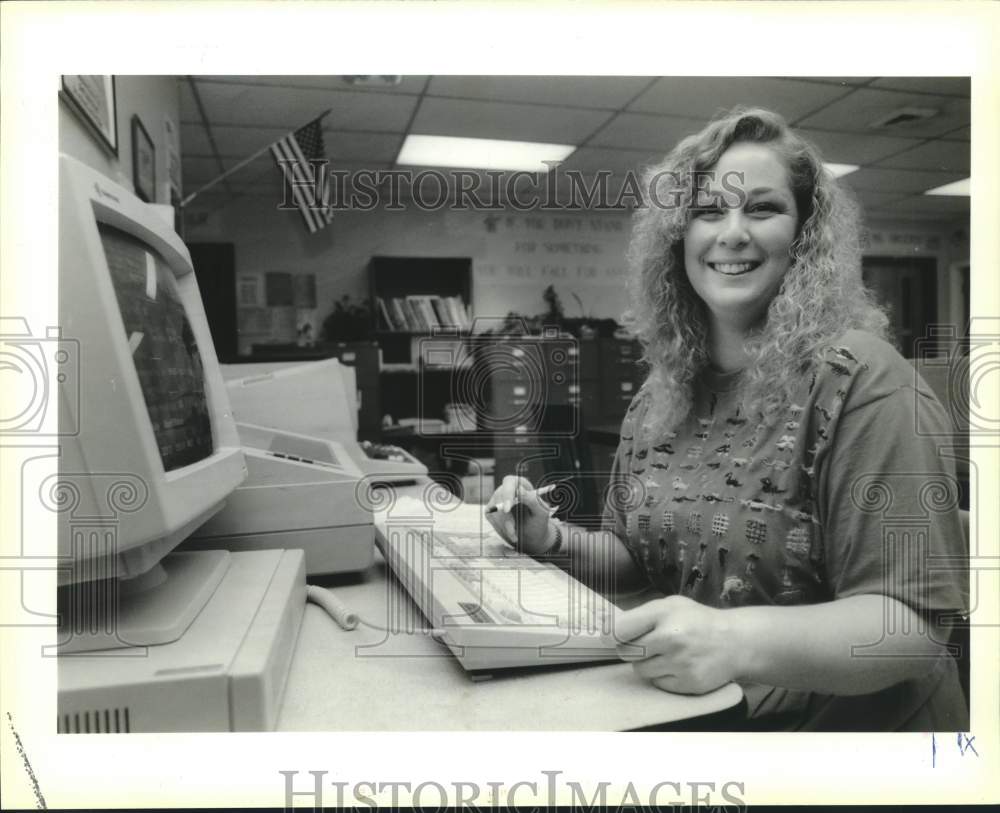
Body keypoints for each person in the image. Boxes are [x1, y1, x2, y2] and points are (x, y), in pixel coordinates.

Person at [485, 107, 969, 731]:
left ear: (805, 234)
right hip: (715, 727)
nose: (732, 233)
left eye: (762, 209)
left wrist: (732, 641)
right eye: (710, 211)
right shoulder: (661, 395)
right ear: (679, 237)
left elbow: (912, 627)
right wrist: (549, 542)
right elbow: (637, 557)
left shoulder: (865, 384)